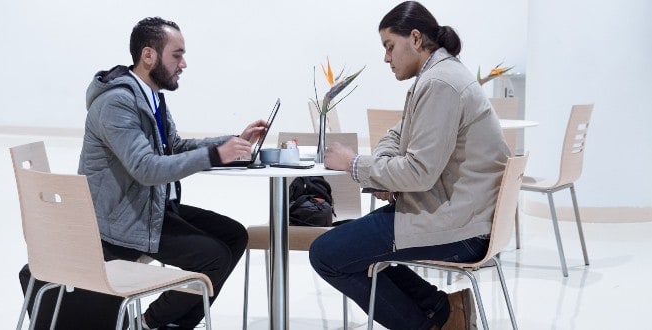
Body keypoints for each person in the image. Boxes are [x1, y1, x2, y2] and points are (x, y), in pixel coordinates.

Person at [308, 2, 510, 329]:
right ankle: (443, 309)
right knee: (344, 238)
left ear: (415, 38)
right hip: (458, 215)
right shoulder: (438, 75)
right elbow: (396, 134)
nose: (386, 58)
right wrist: (388, 171)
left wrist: (354, 164)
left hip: (460, 227)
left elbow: (418, 171)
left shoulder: (440, 83)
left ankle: (432, 323)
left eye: (389, 46)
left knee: (326, 255)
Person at [78, 17, 266, 329]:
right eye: (177, 55)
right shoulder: (117, 104)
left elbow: (174, 146)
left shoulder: (151, 97)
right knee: (213, 258)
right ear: (148, 55)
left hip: (149, 208)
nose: (184, 64)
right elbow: (146, 168)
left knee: (234, 235)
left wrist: (232, 141)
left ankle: (171, 324)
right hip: (120, 222)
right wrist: (215, 156)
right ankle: (146, 324)